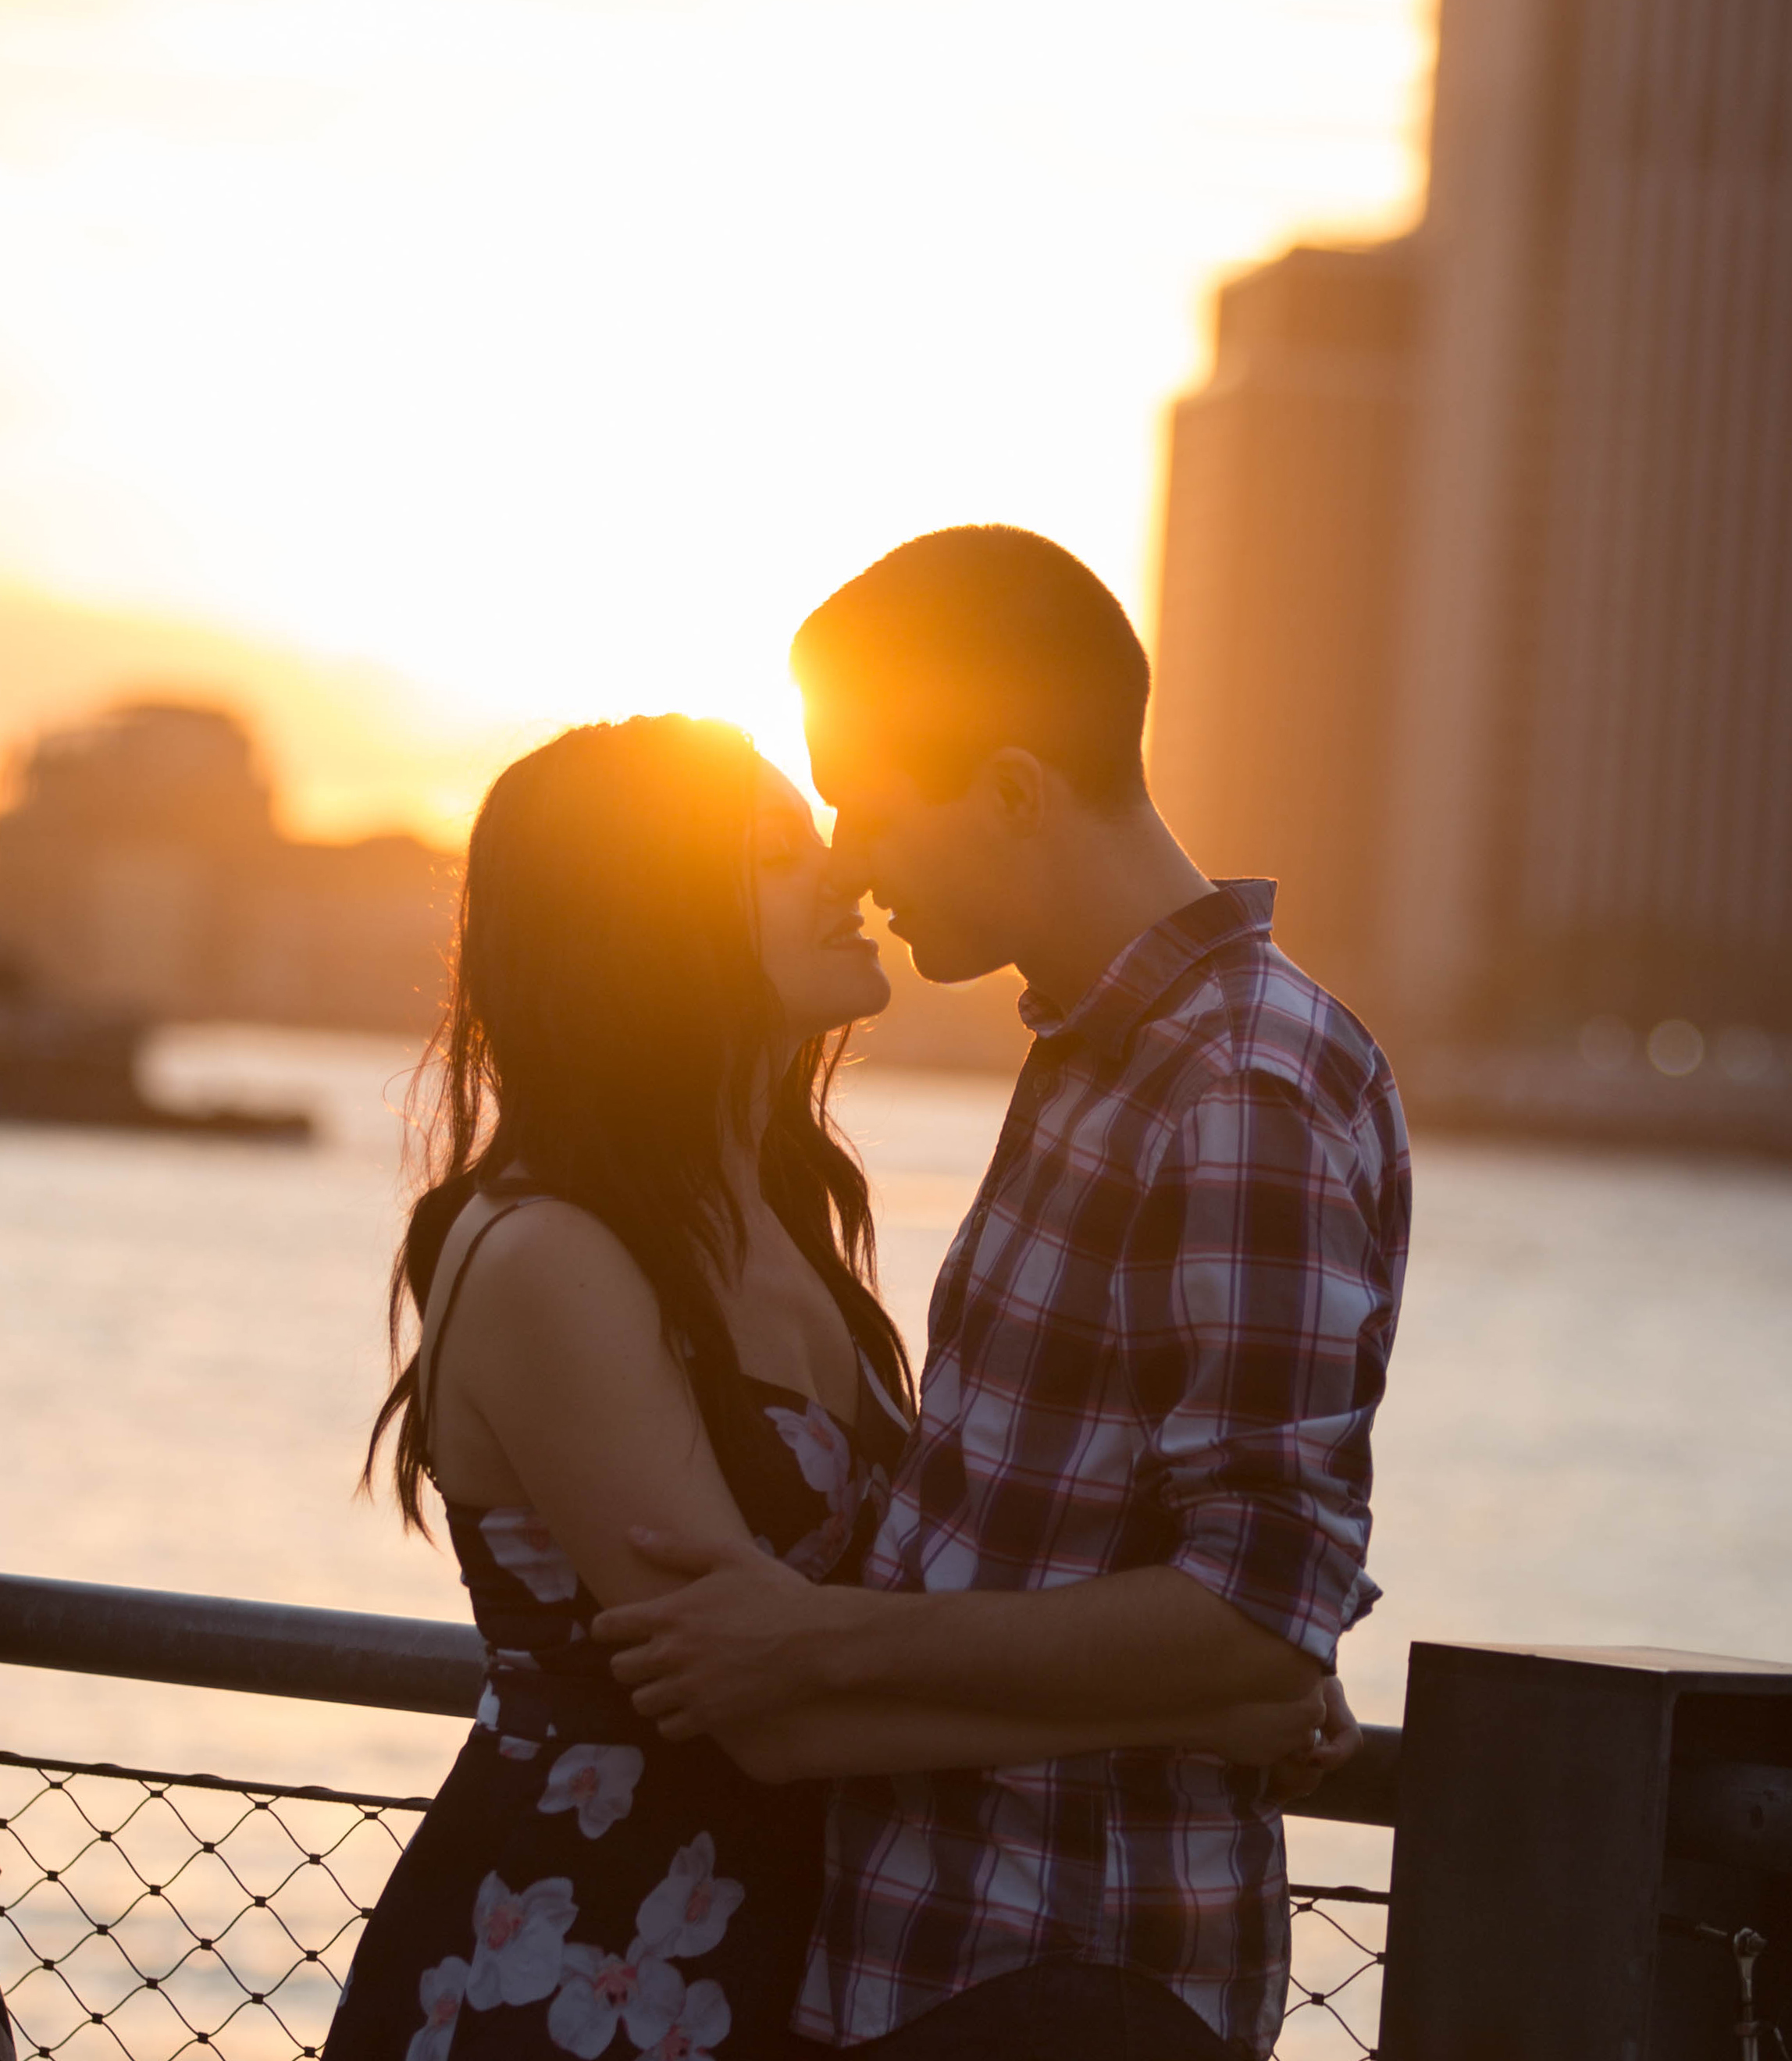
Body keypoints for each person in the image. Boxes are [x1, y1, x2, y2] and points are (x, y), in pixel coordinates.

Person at [328, 714, 1337, 2061]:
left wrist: (1210, 1650)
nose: (845, 873)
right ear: (646, 914)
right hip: (584, 1968)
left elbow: (875, 1606)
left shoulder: (783, 1219)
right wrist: (1212, 1695)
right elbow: (768, 1711)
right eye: (776, 853)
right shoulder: (550, 1256)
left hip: (787, 1955)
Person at [593, 530, 1412, 2059]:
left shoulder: (1237, 1087)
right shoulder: (1103, 1056)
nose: (843, 856)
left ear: (1014, 791)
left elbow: (1249, 1622)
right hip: (938, 1952)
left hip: (1067, 1976)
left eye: (863, 800)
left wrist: (816, 1639)